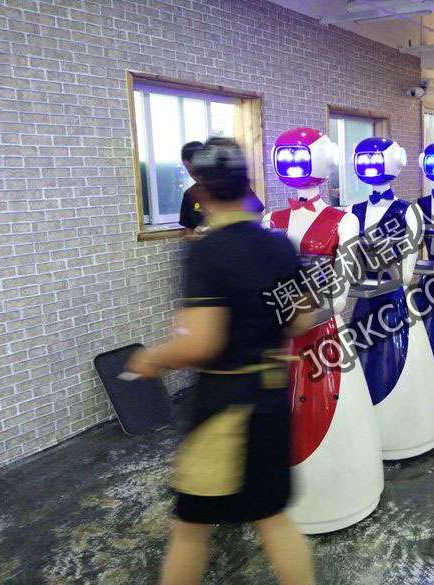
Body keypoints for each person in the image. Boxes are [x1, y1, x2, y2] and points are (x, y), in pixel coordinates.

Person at [127, 137, 315, 585]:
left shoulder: (208, 251)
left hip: (226, 410)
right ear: (247, 184)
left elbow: (200, 344)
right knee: (273, 519)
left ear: (202, 191)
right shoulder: (280, 245)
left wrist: (152, 358)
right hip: (272, 399)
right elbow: (300, 319)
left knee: (191, 529)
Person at [179, 141, 206, 239]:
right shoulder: (189, 195)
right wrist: (194, 236)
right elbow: (189, 231)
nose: (194, 175)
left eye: (198, 169)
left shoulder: (230, 186)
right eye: (190, 171)